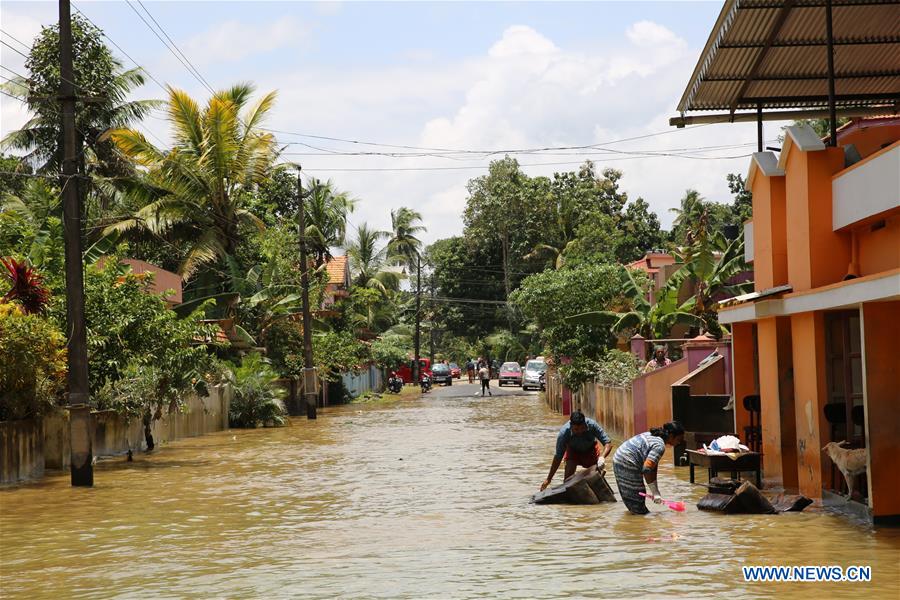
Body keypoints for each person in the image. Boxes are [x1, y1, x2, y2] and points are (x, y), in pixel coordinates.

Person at [612, 421, 685, 514]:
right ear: (671, 435)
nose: (679, 442)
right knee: (637, 503)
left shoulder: (653, 435)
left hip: (619, 458)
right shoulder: (659, 446)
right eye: (679, 439)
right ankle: (641, 522)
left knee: (633, 498)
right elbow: (647, 469)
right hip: (627, 462)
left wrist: (656, 492)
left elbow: (653, 468)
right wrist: (655, 492)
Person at [540, 410, 613, 491]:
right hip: (573, 451)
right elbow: (558, 456)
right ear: (571, 426)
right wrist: (549, 479)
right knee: (567, 480)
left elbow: (608, 443)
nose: (580, 431)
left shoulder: (592, 425)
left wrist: (602, 458)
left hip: (590, 450)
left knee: (597, 477)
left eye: (582, 428)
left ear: (585, 423)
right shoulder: (564, 433)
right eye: (576, 429)